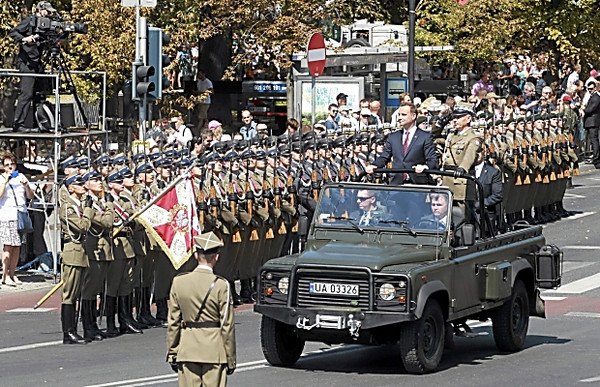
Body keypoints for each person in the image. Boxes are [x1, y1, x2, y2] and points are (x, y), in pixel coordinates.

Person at [166, 231, 236, 387]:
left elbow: (173, 323)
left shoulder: (179, 282)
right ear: (216, 257)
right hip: (214, 351)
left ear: (196, 255)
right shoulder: (221, 285)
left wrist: (172, 352)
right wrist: (230, 358)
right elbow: (227, 326)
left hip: (188, 349)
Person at [9, 1, 56, 132]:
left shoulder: (46, 24)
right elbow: (13, 33)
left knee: (39, 94)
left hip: (37, 63)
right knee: (26, 93)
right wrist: (25, 39)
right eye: (47, 11)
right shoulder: (29, 21)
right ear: (40, 10)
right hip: (26, 63)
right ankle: (18, 124)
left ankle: (40, 123)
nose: (48, 14)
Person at [366, 103, 439, 184]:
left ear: (413, 116)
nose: (399, 118)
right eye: (399, 115)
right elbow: (384, 157)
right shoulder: (393, 137)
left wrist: (424, 167)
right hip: (397, 184)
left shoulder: (425, 136)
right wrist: (374, 165)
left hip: (417, 184)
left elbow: (433, 160)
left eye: (403, 115)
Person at [58, 173, 91, 344]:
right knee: (69, 293)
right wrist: (87, 211)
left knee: (77, 292)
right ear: (71, 188)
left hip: (80, 250)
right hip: (72, 251)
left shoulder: (77, 205)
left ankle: (73, 329)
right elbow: (82, 226)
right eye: (79, 184)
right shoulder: (67, 207)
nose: (84, 186)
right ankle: (68, 331)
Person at [0, 151, 34, 286]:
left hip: (20, 215)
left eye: (12, 164)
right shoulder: (2, 178)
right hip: (7, 215)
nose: (10, 167)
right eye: (7, 164)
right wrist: (6, 181)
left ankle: (13, 274)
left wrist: (27, 186)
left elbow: (30, 196)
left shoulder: (20, 176)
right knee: (8, 246)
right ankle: (5, 275)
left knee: (17, 246)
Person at [473, 151, 503, 234]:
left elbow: (498, 195)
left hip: (485, 217)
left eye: (479, 151)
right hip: (467, 217)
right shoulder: (465, 171)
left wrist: (480, 204)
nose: (476, 154)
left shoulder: (493, 172)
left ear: (484, 152)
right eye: (474, 151)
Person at [583, 81, 600, 169]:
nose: (590, 90)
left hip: (593, 122)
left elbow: (590, 109)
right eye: (588, 89)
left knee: (594, 141)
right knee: (593, 141)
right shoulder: (592, 96)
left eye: (591, 89)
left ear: (595, 88)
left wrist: (583, 109)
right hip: (590, 122)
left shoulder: (596, 97)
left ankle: (597, 159)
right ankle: (596, 157)